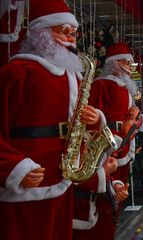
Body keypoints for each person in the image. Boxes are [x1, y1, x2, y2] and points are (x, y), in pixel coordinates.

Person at [0, 1, 107, 239]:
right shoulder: (17, 72)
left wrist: (96, 119)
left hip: (63, 179)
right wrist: (13, 167)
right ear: (41, 33)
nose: (71, 39)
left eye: (73, 33)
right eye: (63, 31)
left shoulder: (75, 77)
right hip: (27, 182)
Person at [73, 42, 143, 240]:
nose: (128, 66)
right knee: (105, 194)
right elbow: (92, 117)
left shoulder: (124, 87)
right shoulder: (102, 84)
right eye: (125, 62)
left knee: (117, 192)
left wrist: (136, 121)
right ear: (114, 64)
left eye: (129, 63)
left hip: (123, 144)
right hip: (110, 145)